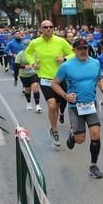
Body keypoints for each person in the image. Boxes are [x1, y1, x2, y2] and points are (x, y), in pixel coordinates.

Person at [51, 38, 103, 179]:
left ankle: (93, 166)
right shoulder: (66, 66)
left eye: (85, 48)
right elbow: (54, 83)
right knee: (80, 139)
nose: (83, 51)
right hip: (75, 106)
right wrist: (65, 96)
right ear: (73, 50)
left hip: (90, 105)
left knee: (95, 133)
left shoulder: (95, 63)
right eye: (79, 49)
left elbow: (98, 78)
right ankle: (73, 135)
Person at [24, 20, 74, 148]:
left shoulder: (60, 41)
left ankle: (53, 128)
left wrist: (64, 59)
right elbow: (27, 53)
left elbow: (72, 53)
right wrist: (33, 63)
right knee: (51, 106)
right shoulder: (35, 43)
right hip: (45, 78)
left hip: (60, 78)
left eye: (51, 27)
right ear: (41, 29)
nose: (48, 29)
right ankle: (55, 130)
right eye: (45, 27)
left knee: (56, 107)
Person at [15, 40, 42, 112]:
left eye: (28, 45)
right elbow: (16, 65)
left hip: (34, 73)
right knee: (28, 90)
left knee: (35, 87)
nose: (27, 46)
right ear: (24, 46)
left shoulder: (35, 53)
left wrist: (37, 65)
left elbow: (39, 61)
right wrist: (24, 67)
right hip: (24, 75)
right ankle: (29, 103)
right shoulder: (20, 54)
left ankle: (37, 105)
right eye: (26, 45)